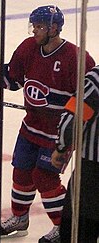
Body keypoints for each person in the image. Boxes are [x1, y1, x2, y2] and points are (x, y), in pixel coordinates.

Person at [0, 5, 95, 242]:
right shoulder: (27, 48)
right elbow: (13, 79)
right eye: (33, 25)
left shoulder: (77, 58)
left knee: (44, 178)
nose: (34, 30)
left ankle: (62, 227)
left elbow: (85, 100)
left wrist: (67, 129)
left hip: (58, 134)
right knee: (21, 172)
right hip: (31, 127)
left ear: (54, 28)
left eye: (40, 26)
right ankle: (20, 218)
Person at [51, 65, 99, 242]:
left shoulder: (96, 79)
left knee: (78, 233)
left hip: (92, 175)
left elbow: (72, 118)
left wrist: (61, 147)